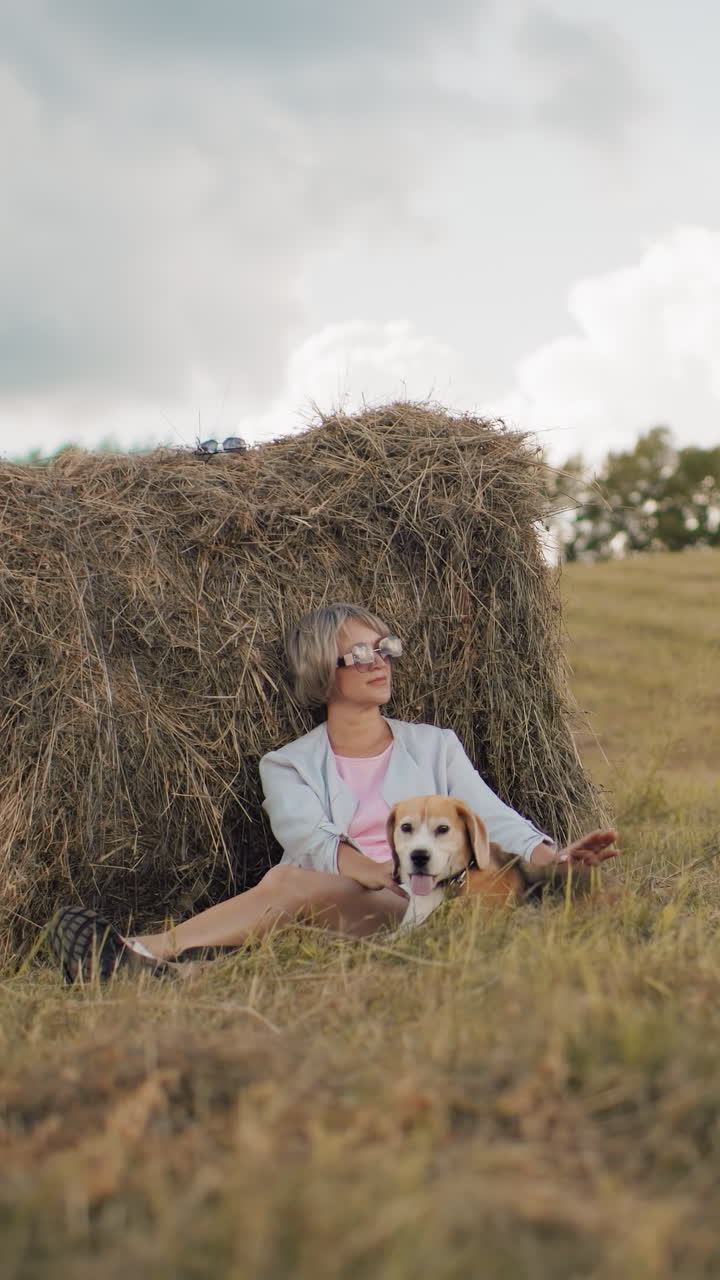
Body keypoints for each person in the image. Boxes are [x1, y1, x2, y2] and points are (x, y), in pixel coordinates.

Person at [47, 603, 618, 981]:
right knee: (292, 884)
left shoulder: (435, 746)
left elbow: (494, 819)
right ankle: (168, 968)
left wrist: (556, 860)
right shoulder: (288, 764)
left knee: (285, 886)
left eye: (385, 647)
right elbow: (305, 835)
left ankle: (143, 951)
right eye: (362, 654)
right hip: (347, 900)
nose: (381, 662)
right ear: (325, 670)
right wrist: (362, 866)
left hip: (433, 903)